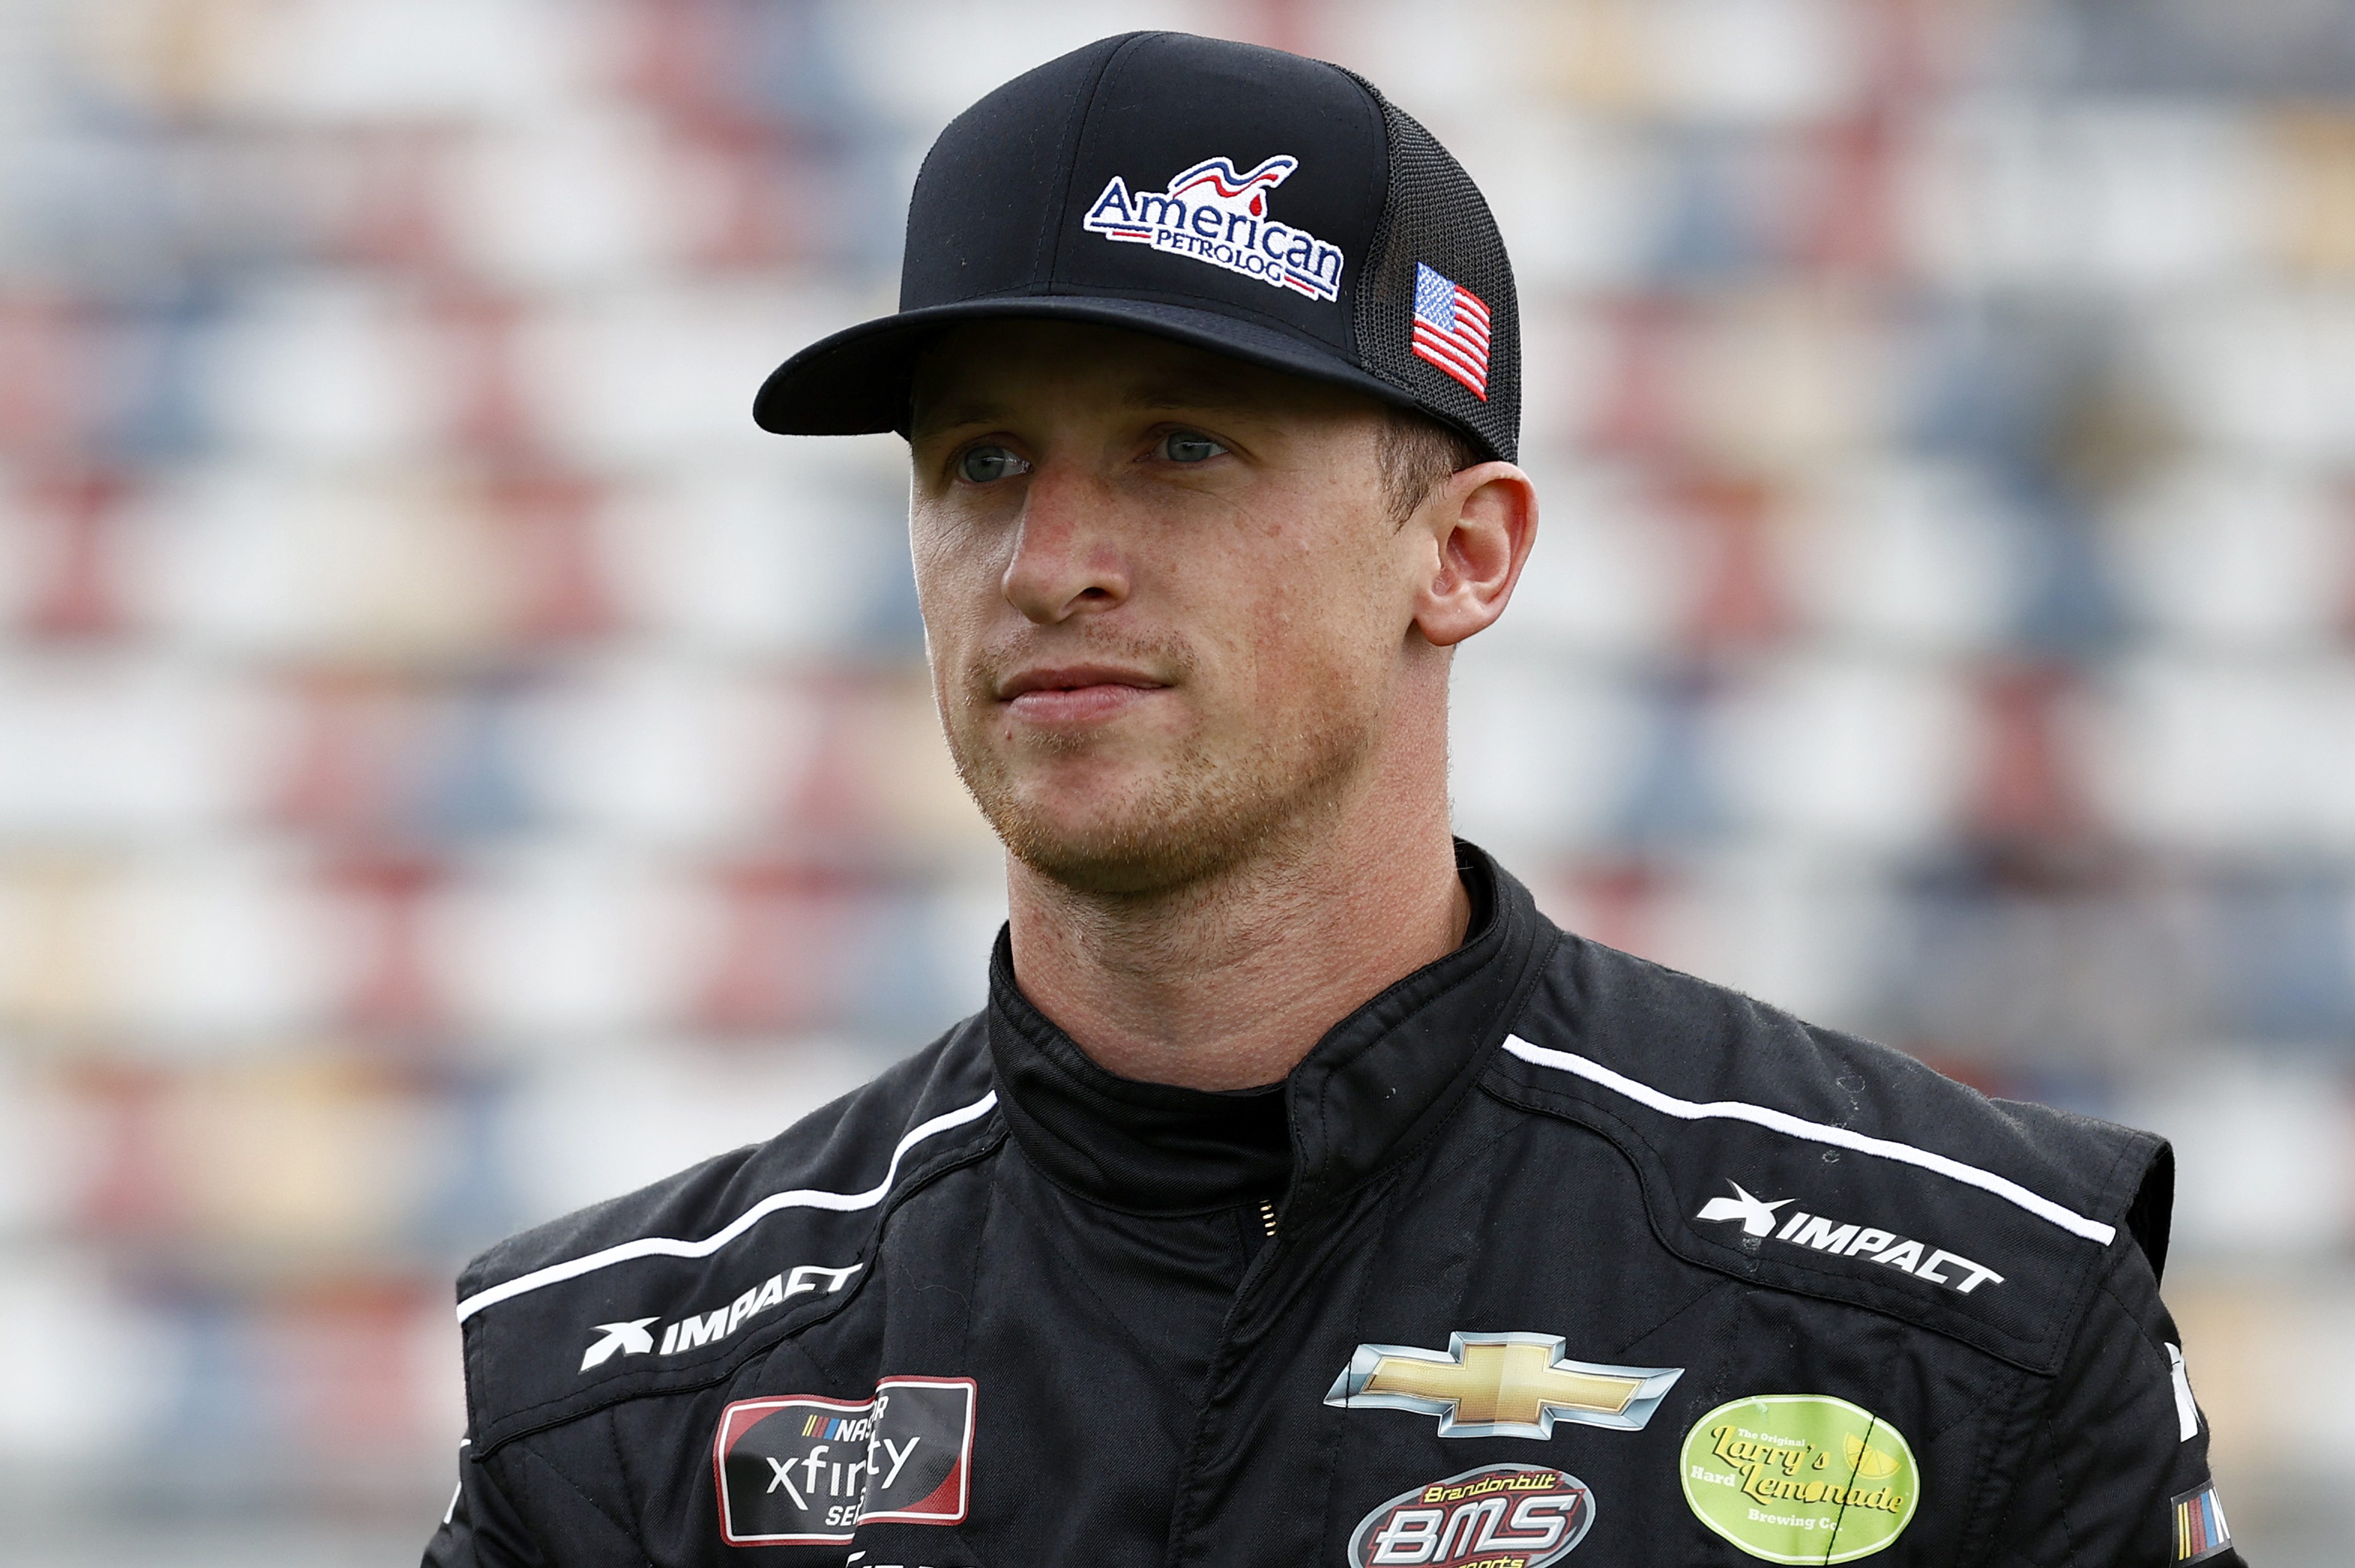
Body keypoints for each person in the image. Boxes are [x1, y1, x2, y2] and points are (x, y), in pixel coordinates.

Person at [424, 32, 2236, 1568]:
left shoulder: (1963, 1309)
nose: (1046, 561)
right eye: (981, 460)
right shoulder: (622, 1393)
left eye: (1180, 446)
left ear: (1462, 555)